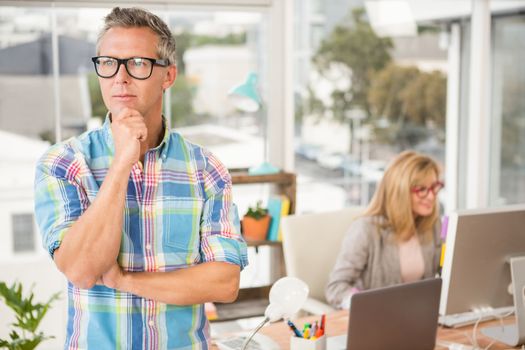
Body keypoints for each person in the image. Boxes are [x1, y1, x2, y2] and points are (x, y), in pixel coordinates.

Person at [34, 7, 248, 349]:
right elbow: (80, 269)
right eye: (108, 62)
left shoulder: (206, 169)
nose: (120, 77)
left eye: (137, 63)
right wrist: (122, 163)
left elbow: (224, 283)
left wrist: (125, 281)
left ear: (168, 75)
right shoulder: (64, 163)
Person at [325, 151, 443, 309]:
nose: (431, 197)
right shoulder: (365, 229)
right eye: (422, 189)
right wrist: (366, 305)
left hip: (416, 316)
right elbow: (335, 288)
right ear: (400, 191)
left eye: (434, 187)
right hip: (376, 320)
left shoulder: (432, 225)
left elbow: (443, 274)